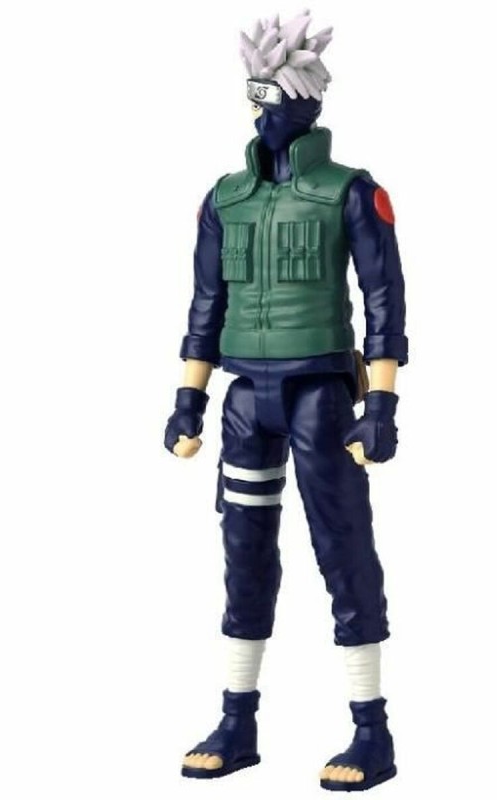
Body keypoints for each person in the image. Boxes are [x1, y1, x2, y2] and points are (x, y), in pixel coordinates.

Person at [164, 10, 408, 792]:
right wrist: (188, 399)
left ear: (304, 102)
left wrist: (381, 404)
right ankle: (237, 720)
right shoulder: (224, 198)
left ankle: (371, 729)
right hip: (245, 399)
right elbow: (205, 305)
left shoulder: (351, 193)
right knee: (243, 556)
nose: (260, 111)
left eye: (271, 96)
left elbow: (384, 302)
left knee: (343, 549)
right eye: (254, 95)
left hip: (321, 397)